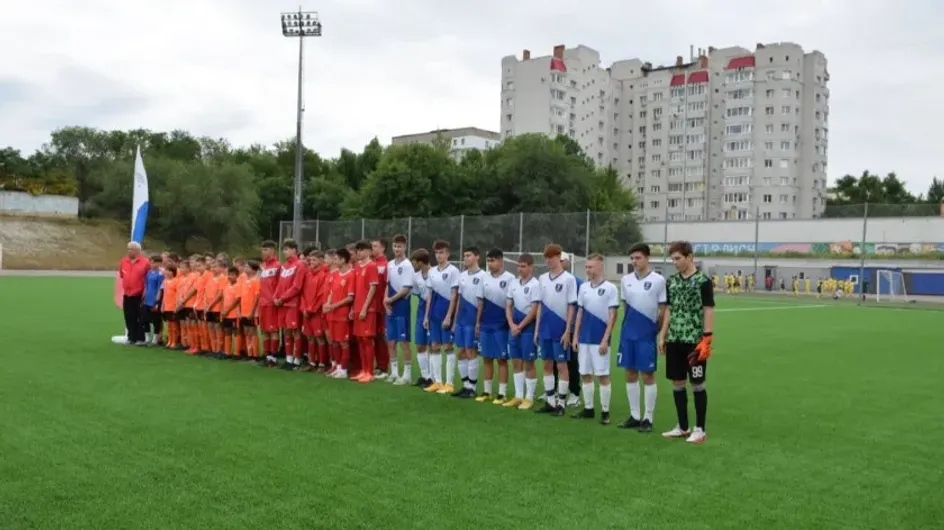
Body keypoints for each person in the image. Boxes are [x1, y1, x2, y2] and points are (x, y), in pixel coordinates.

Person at [661, 240, 714, 444]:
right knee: (677, 382)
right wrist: (663, 334)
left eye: (678, 258)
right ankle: (682, 426)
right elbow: (669, 309)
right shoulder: (671, 281)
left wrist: (707, 338)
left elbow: (708, 309)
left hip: (695, 341)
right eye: (672, 259)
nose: (674, 262)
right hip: (675, 339)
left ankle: (699, 429)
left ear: (690, 257)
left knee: (698, 383)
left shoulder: (702, 281)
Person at [617, 243, 667, 432]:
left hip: (647, 335)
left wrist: (659, 332)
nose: (634, 261)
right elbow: (625, 307)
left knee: (648, 375)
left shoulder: (659, 280)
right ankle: (635, 415)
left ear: (647, 258)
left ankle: (648, 418)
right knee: (630, 372)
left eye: (638, 258)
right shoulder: (625, 280)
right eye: (632, 258)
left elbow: (663, 310)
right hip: (628, 334)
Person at [571, 254, 619, 424]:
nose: (587, 270)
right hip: (584, 339)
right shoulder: (583, 287)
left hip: (600, 340)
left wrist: (605, 339)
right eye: (586, 267)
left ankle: (605, 412)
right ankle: (588, 408)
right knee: (585, 373)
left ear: (600, 267)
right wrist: (576, 336)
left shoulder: (611, 288)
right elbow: (580, 313)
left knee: (603, 375)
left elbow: (613, 315)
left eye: (590, 267)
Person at [535, 244, 578, 416]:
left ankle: (561, 403)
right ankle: (550, 401)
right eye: (545, 258)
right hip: (545, 328)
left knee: (562, 365)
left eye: (550, 257)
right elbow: (539, 304)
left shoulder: (568, 279)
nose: (547, 261)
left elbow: (571, 306)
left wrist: (568, 330)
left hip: (560, 329)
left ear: (558, 256)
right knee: (546, 363)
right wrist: (537, 329)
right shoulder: (542, 278)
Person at [476, 248, 515, 403]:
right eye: (488, 261)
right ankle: (487, 392)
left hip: (502, 324)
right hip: (486, 323)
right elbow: (480, 302)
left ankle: (502, 393)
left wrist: (510, 322)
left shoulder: (510, 278)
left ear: (501, 261)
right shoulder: (484, 278)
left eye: (493, 261)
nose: (490, 264)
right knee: (486, 357)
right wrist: (478, 321)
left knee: (501, 359)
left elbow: (512, 303)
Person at [423, 240, 460, 394]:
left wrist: (449, 316)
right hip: (434, 314)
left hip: (446, 313)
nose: (439, 255)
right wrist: (426, 316)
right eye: (437, 253)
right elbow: (430, 295)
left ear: (447, 253)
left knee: (448, 346)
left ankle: (449, 383)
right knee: (435, 346)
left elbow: (454, 295)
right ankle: (437, 381)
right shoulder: (432, 272)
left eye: (442, 252)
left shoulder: (453, 271)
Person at [505, 253, 541, 409]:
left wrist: (520, 326)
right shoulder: (513, 283)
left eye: (523, 266)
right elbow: (508, 306)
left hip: (527, 329)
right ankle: (519, 396)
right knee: (516, 361)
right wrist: (512, 325)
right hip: (514, 328)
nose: (520, 269)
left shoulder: (535, 285)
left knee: (529, 363)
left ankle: (529, 397)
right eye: (518, 265)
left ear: (531, 267)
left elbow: (534, 310)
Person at [548, 253, 582, 408]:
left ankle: (574, 392)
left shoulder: (575, 281)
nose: (560, 262)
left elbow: (579, 306)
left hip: (572, 328)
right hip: (554, 327)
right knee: (554, 360)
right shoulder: (549, 279)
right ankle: (555, 390)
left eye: (562, 260)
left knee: (571, 361)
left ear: (568, 262)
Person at [452, 246, 485, 398]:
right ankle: (465, 385)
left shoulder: (483, 276)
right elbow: (459, 298)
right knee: (461, 352)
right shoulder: (462, 275)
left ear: (477, 257)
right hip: (461, 320)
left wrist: (478, 321)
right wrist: (455, 320)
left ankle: (472, 387)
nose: (465, 258)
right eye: (464, 256)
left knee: (471, 351)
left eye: (468, 255)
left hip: (472, 319)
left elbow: (481, 302)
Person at [383, 234, 415, 385]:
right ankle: (394, 372)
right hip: (390, 307)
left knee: (404, 342)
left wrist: (390, 300)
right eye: (395, 246)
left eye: (400, 246)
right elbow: (387, 285)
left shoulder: (408, 266)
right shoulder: (390, 264)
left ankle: (407, 374)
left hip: (401, 306)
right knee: (391, 341)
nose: (397, 249)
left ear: (405, 247)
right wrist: (385, 300)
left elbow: (405, 289)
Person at [273, 239, 308, 370]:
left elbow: (297, 287)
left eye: (287, 249)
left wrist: (282, 298)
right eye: (284, 249)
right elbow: (280, 283)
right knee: (286, 331)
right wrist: (275, 297)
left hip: (293, 303)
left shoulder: (299, 265)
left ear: (294, 250)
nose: (285, 252)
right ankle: (288, 358)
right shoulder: (284, 266)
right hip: (283, 304)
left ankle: (297, 359)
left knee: (296, 331)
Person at [324, 248, 355, 379]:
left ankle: (344, 369)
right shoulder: (336, 274)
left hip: (342, 313)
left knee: (343, 342)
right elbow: (331, 292)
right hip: (332, 313)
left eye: (336, 259)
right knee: (335, 341)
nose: (334, 261)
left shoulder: (351, 275)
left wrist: (333, 306)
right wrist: (327, 304)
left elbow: (350, 298)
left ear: (343, 260)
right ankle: (337, 367)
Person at [352, 240, 380, 383]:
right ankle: (363, 370)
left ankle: (370, 371)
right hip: (357, 308)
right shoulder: (357, 266)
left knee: (367, 339)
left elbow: (372, 288)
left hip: (367, 309)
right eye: (358, 250)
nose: (359, 253)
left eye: (362, 250)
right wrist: (353, 308)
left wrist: (364, 308)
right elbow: (357, 289)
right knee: (360, 339)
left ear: (369, 251)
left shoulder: (371, 266)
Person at [118, 241, 150, 345]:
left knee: (139, 316)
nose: (128, 251)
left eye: (130, 249)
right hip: (127, 294)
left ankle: (140, 338)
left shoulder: (145, 262)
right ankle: (131, 337)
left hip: (139, 294)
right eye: (128, 249)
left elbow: (148, 277)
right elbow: (122, 275)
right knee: (129, 316)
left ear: (137, 251)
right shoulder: (124, 261)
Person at [301, 250, 328, 372]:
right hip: (307, 311)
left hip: (316, 312)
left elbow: (321, 295)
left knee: (319, 337)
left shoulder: (323, 275)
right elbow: (303, 293)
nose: (312, 262)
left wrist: (312, 309)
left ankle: (322, 363)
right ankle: (312, 362)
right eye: (310, 260)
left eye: (315, 260)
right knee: (310, 337)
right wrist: (304, 308)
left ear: (322, 261)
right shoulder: (308, 274)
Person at [410, 249, 433, 388]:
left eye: (414, 263)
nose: (413, 265)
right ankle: (425, 376)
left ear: (420, 262)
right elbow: (416, 292)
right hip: (421, 308)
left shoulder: (434, 273)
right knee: (419, 345)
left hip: (433, 310)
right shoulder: (416, 276)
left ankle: (432, 377)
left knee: (432, 346)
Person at [258, 241, 282, 366]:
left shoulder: (278, 266)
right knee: (264, 330)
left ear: (273, 251)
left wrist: (275, 298)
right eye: (263, 250)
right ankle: (267, 355)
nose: (263, 252)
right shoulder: (263, 267)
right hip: (263, 304)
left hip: (272, 303)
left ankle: (273, 356)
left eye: (266, 249)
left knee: (273, 331)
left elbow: (280, 285)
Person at [371, 238, 391, 379]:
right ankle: (377, 365)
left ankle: (384, 367)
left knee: (382, 337)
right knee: (374, 337)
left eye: (375, 246)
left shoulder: (385, 265)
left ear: (382, 248)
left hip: (381, 307)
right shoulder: (371, 264)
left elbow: (388, 286)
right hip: (372, 307)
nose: (372, 248)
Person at [240, 260, 261, 360]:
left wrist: (252, 312)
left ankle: (255, 355)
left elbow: (257, 297)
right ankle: (249, 353)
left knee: (252, 331)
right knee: (247, 331)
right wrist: (240, 311)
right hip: (244, 311)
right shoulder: (244, 280)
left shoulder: (256, 280)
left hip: (251, 312)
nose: (245, 269)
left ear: (253, 270)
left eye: (247, 267)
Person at [219, 266, 242, 358]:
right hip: (225, 313)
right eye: (229, 274)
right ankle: (227, 352)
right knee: (227, 331)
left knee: (236, 332)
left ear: (237, 276)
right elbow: (224, 299)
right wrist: (223, 311)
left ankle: (237, 353)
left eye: (232, 275)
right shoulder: (226, 286)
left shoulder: (238, 286)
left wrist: (227, 310)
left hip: (234, 314)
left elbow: (237, 300)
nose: (230, 276)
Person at [142, 255, 164, 346]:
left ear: (159, 263)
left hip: (154, 299)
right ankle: (147, 338)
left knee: (155, 320)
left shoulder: (160, 274)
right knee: (145, 319)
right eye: (151, 262)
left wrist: (157, 300)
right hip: (147, 299)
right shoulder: (149, 273)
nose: (153, 264)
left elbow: (160, 288)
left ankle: (155, 339)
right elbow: (146, 286)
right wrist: (143, 296)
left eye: (155, 262)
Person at [161, 264, 180, 348]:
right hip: (167, 306)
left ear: (174, 272)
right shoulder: (165, 281)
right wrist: (162, 305)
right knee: (169, 325)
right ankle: (170, 340)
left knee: (174, 325)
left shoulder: (176, 281)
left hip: (173, 306)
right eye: (167, 270)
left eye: (170, 271)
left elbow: (178, 294)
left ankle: (174, 342)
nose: (168, 272)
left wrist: (177, 305)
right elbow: (164, 294)